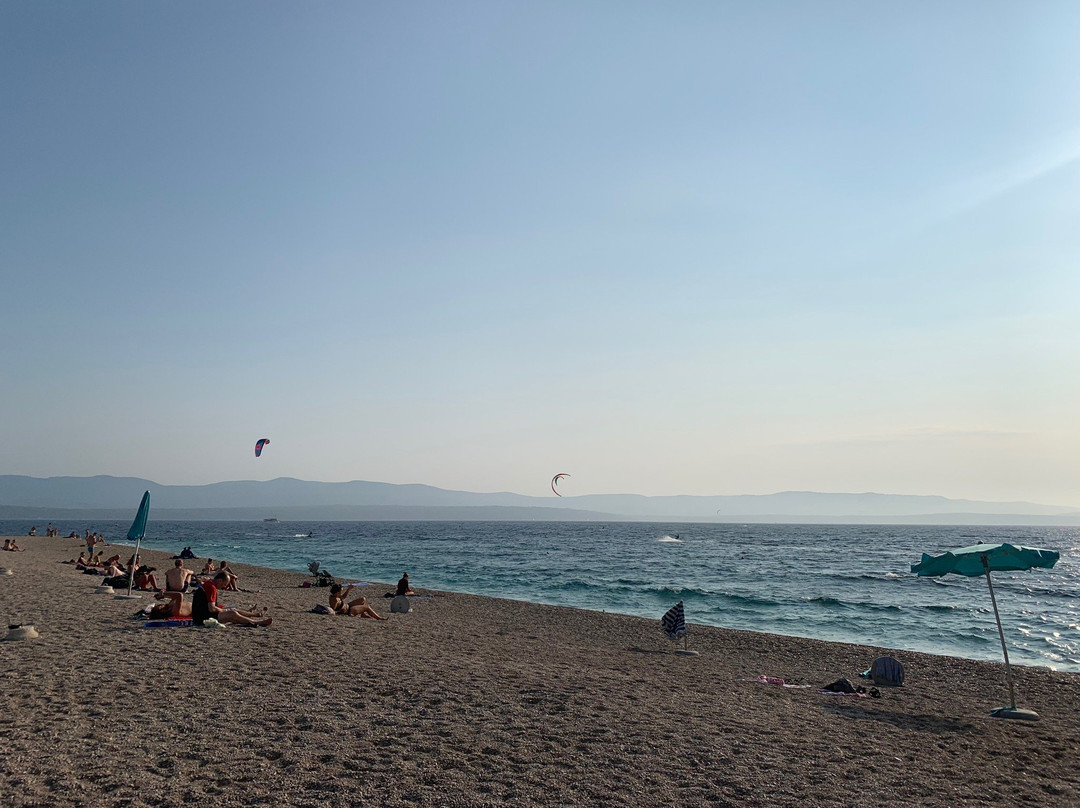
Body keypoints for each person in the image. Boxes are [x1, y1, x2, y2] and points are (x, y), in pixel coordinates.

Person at [191, 572, 272, 627]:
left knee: (233, 610)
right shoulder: (211, 588)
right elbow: (212, 609)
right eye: (224, 584)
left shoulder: (209, 585)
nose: (223, 587)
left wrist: (224, 610)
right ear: (219, 580)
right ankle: (257, 622)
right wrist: (224, 611)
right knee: (232, 613)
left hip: (201, 615)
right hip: (202, 618)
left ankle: (255, 615)